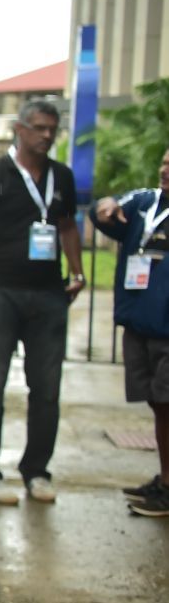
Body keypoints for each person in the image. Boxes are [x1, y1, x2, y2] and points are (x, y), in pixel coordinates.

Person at [0, 100, 86, 505]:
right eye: (39, 128)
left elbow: (66, 227)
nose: (47, 135)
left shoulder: (61, 177)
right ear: (19, 128)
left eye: (53, 129)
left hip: (47, 295)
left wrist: (77, 272)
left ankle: (36, 471)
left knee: (46, 388)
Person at [90, 148, 169, 517]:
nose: (166, 169)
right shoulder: (144, 201)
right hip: (139, 321)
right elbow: (105, 213)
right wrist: (103, 205)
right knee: (157, 404)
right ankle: (165, 478)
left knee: (167, 405)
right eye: (165, 161)